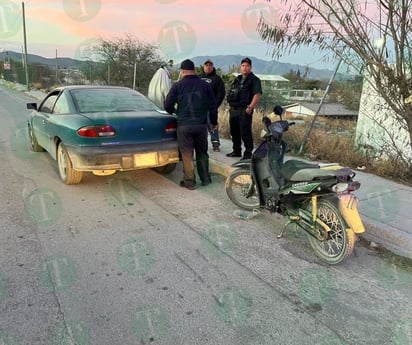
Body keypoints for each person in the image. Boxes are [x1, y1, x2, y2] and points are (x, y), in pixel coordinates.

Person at [164, 59, 218, 190]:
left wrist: (176, 112)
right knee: (202, 152)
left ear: (182, 71)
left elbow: (167, 105)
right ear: (194, 70)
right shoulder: (205, 85)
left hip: (184, 125)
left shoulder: (177, 86)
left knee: (187, 155)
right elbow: (213, 106)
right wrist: (214, 122)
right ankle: (205, 179)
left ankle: (189, 182)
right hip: (200, 125)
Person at [226, 57, 262, 160]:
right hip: (234, 109)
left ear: (250, 67)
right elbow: (232, 93)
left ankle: (248, 153)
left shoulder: (254, 80)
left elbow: (257, 94)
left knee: (245, 132)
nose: (245, 68)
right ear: (240, 67)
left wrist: (250, 107)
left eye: (247, 66)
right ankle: (236, 151)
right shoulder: (237, 79)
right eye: (243, 66)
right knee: (234, 132)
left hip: (245, 110)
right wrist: (230, 106)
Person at [198, 59, 226, 152]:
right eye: (206, 65)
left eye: (210, 65)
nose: (208, 67)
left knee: (213, 126)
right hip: (200, 109)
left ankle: (215, 144)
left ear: (213, 67)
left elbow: (221, 93)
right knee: (200, 128)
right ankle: (201, 145)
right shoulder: (198, 78)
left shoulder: (217, 79)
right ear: (203, 67)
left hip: (211, 109)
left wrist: (215, 105)